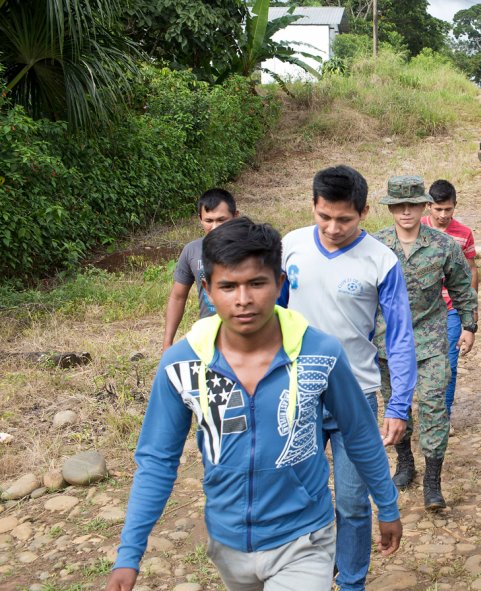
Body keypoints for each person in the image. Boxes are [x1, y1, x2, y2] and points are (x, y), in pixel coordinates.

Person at [105, 218, 402, 591]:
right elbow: (157, 460)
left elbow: (359, 434)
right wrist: (129, 554)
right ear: (207, 290)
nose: (243, 300)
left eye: (257, 283)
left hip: (303, 538)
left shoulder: (319, 353)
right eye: (228, 286)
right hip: (227, 542)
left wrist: (387, 506)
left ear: (280, 283)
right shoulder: (183, 365)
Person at [278, 166, 417, 591]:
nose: (333, 228)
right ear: (313, 207)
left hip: (355, 396)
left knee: (355, 502)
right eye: (324, 217)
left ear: (365, 212)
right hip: (294, 392)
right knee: (298, 495)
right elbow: (271, 312)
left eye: (344, 219)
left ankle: (352, 581)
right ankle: (311, 572)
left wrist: (398, 406)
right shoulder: (290, 247)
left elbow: (400, 337)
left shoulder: (381, 260)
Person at [374, 176, 478, 510]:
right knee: (395, 405)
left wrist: (469, 325)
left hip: (431, 341)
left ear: (423, 206)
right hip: (387, 344)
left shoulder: (443, 245)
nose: (406, 211)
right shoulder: (374, 247)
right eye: (399, 205)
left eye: (412, 204)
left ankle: (433, 482)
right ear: (391, 208)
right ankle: (405, 464)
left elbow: (463, 286)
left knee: (434, 407)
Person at [421, 180, 479, 417]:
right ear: (428, 206)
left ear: (455, 206)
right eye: (438, 209)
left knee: (450, 365)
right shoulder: (416, 228)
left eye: (448, 209)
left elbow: (471, 270)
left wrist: (472, 311)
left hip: (452, 309)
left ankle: (442, 416)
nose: (443, 215)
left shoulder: (463, 234)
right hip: (420, 310)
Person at [162, 188, 239, 351]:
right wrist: (167, 344)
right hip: (208, 336)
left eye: (221, 220)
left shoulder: (253, 249)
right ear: (200, 219)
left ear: (236, 216)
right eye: (208, 221)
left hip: (246, 333)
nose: (215, 227)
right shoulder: (192, 251)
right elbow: (177, 297)